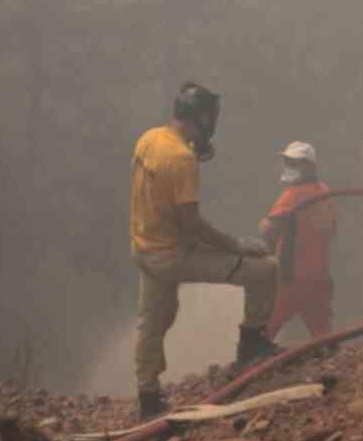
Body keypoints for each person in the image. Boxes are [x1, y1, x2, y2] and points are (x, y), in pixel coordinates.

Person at [129, 82, 282, 419]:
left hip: (144, 249)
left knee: (153, 321)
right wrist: (235, 246)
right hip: (171, 255)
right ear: (201, 119)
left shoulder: (149, 138)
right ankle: (252, 341)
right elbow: (192, 224)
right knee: (266, 269)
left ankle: (148, 398)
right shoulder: (182, 159)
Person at [260, 142, 338, 341]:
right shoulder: (326, 192)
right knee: (323, 336)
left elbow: (269, 231)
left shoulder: (293, 195)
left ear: (310, 166)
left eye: (294, 162)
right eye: (288, 161)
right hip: (320, 277)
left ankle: (249, 368)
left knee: (264, 331)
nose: (289, 166)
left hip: (291, 278)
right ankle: (331, 366)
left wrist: (263, 225)